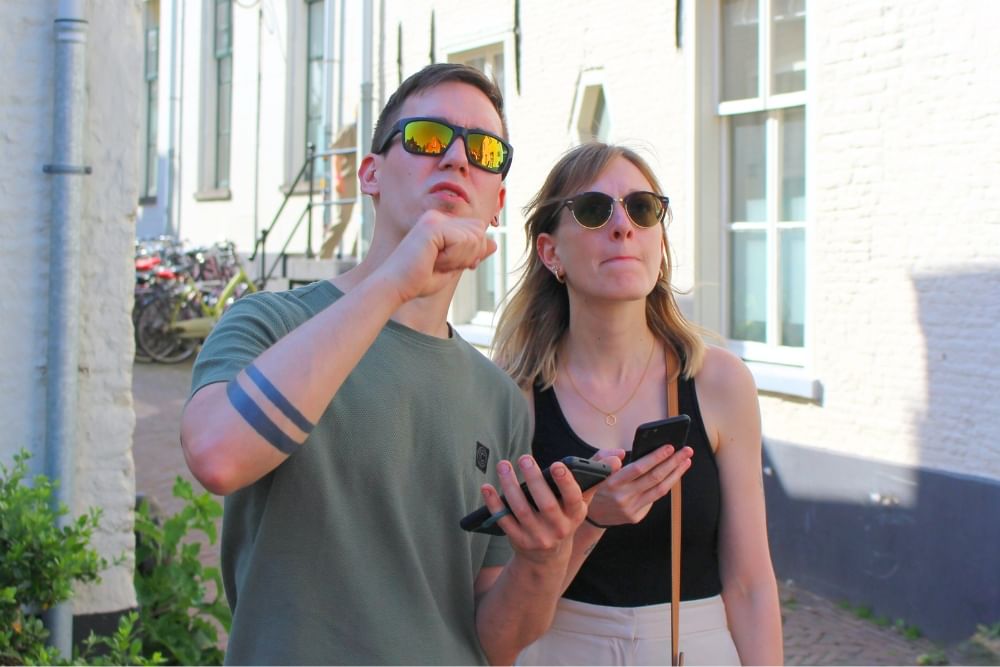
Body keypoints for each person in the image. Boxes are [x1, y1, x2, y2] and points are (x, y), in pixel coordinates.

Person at [180, 64, 607, 665]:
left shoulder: (499, 398)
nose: (457, 158)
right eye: (428, 137)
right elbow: (217, 456)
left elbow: (498, 641)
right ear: (371, 174)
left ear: (498, 203)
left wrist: (544, 557)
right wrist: (395, 282)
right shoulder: (269, 324)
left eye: (485, 151)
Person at [493, 143, 784, 665]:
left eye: (642, 208)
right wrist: (592, 520)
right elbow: (501, 618)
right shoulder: (515, 396)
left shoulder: (718, 382)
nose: (623, 226)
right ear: (550, 253)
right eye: (593, 209)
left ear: (659, 240)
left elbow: (751, 584)